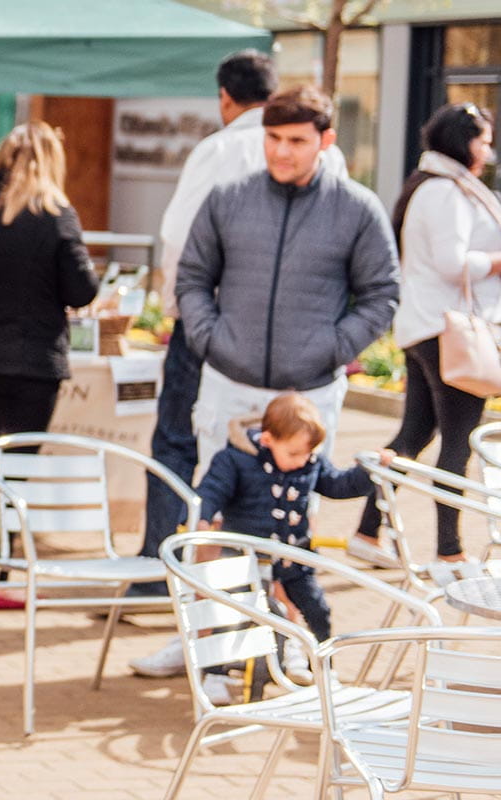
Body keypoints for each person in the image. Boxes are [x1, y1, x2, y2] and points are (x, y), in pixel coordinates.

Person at [133, 86, 399, 679]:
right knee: (214, 523)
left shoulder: (357, 209)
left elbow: (383, 293)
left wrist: (331, 347)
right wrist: (212, 338)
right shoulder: (228, 198)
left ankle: (288, 647)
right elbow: (194, 278)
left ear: (326, 141)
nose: (282, 151)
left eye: (297, 141)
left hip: (308, 397)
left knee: (290, 526)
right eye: (273, 139)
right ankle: (201, 642)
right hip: (229, 384)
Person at [137, 50, 351, 580]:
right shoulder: (332, 160)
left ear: (225, 99)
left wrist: (190, 321)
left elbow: (177, 242)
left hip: (221, 331)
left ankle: (160, 570)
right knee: (273, 457)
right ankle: (267, 586)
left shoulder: (218, 148)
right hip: (282, 338)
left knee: (180, 442)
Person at [0, 121, 100, 608]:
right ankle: (2, 579)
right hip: (31, 360)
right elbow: (82, 290)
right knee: (12, 472)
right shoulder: (56, 216)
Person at [353, 102, 501, 566]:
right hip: (449, 331)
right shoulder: (445, 192)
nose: (488, 151)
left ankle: (368, 532)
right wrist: (497, 262)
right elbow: (452, 263)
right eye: (484, 140)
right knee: (458, 440)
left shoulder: (432, 187)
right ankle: (450, 552)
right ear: (463, 142)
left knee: (413, 435)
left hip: (427, 328)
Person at [193, 393, 394, 681]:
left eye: (308, 454)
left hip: (294, 560)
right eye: (293, 454)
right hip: (246, 558)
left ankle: (321, 669)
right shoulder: (235, 459)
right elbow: (212, 489)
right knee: (231, 614)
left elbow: (339, 485)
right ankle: (216, 674)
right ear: (267, 439)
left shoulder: (309, 462)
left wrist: (371, 471)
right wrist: (202, 516)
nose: (302, 462)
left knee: (318, 610)